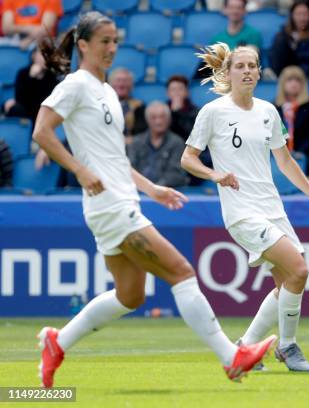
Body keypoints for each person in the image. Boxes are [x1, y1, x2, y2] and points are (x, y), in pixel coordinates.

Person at [33, 12, 276, 388]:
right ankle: (232, 357)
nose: (112, 48)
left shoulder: (108, 92)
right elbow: (42, 132)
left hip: (117, 202)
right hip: (110, 207)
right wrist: (79, 171)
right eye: (104, 42)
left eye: (115, 41)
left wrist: (152, 189)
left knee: (130, 296)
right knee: (181, 272)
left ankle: (57, 341)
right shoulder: (77, 85)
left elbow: (115, 161)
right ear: (83, 45)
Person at [181, 43, 309, 372]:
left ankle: (246, 348)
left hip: (271, 207)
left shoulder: (268, 111)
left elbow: (285, 161)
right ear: (228, 72)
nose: (248, 70)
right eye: (241, 66)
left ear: (260, 72)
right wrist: (215, 174)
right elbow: (188, 158)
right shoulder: (213, 112)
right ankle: (287, 346)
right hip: (241, 211)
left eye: (253, 65)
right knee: (300, 270)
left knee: (288, 282)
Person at [193, 0, 263, 80]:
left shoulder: (253, 34)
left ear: (245, 11)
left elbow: (251, 59)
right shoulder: (217, 38)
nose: (235, 11)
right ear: (225, 10)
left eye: (239, 8)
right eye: (231, 8)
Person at [274, 65, 309, 174]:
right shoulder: (274, 107)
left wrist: (299, 153)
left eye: (298, 80)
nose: (294, 83)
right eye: (289, 80)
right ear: (283, 84)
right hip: (281, 155)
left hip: (307, 155)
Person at [128, 101, 190, 188]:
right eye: (154, 117)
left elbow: (176, 174)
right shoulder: (136, 142)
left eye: (162, 117)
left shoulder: (177, 142)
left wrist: (155, 189)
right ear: (147, 120)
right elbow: (130, 169)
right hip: (139, 192)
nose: (158, 121)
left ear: (169, 119)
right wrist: (146, 188)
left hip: (169, 193)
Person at [268, 0, 309, 78]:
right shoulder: (283, 37)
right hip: (286, 78)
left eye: (305, 14)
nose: (302, 18)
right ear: (292, 16)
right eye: (298, 14)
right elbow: (276, 62)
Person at [3, 45, 59, 122]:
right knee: (12, 108)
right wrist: (31, 77)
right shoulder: (23, 73)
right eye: (42, 54)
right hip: (27, 110)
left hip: (43, 112)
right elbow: (20, 99)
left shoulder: (52, 76)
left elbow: (47, 101)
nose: (46, 58)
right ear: (33, 56)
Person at [108, 67, 147, 142]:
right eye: (118, 80)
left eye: (125, 81)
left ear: (131, 86)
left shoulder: (139, 106)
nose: (121, 84)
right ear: (111, 84)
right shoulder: (101, 104)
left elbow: (141, 133)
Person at [166, 75, 198, 141]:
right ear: (168, 93)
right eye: (173, 89)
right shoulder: (161, 111)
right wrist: (174, 113)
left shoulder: (196, 112)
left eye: (180, 89)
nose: (176, 93)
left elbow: (191, 136)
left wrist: (177, 113)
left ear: (186, 92)